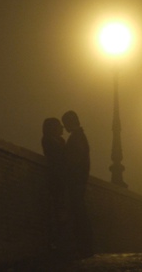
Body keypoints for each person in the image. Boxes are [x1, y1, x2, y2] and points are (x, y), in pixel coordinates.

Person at [61, 110, 93, 259]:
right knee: (79, 214)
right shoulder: (80, 136)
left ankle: (83, 247)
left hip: (76, 181)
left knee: (78, 214)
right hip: (79, 180)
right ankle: (85, 247)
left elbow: (74, 160)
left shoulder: (76, 138)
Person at [41, 118, 67, 253]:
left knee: (61, 211)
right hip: (57, 181)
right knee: (59, 211)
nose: (62, 128)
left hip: (60, 180)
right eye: (59, 126)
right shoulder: (50, 141)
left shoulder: (54, 141)